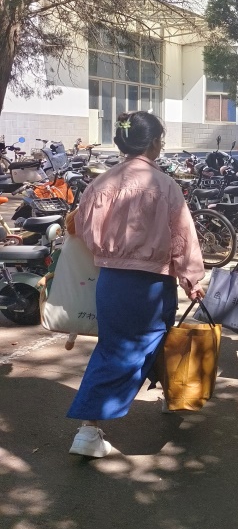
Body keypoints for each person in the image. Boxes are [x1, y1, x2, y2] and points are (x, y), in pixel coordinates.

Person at [66, 112, 205, 457]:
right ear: (154, 142)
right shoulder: (164, 185)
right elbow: (183, 237)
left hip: (111, 281)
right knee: (127, 351)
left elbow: (79, 226)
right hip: (151, 283)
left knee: (131, 344)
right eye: (161, 139)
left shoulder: (101, 183)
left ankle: (170, 397)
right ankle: (88, 428)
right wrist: (191, 278)